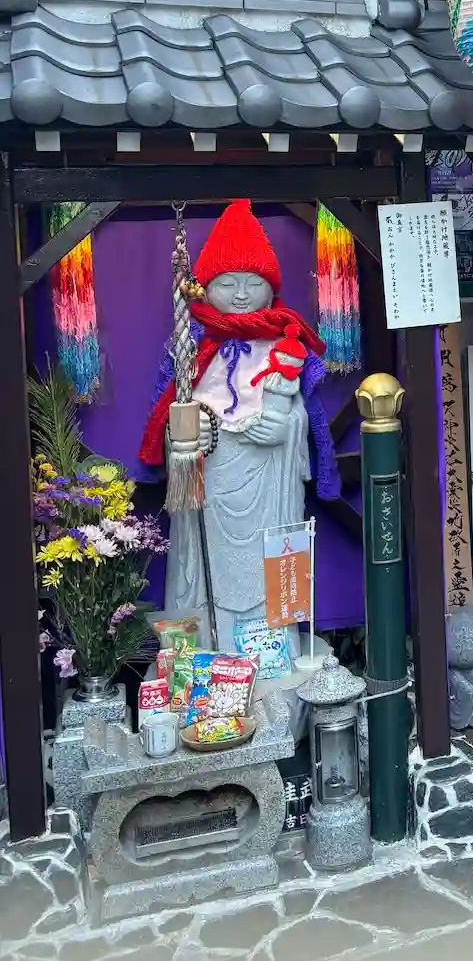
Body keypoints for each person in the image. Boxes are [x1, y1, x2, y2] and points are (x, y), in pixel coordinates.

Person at [139, 200, 340, 651]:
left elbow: (306, 420)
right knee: (201, 562)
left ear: (272, 289)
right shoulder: (190, 346)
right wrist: (184, 439)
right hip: (209, 485)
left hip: (269, 487)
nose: (242, 295)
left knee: (273, 558)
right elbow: (167, 416)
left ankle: (273, 647)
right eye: (228, 283)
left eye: (254, 283)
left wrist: (287, 431)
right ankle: (205, 650)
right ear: (206, 287)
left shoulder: (287, 344)